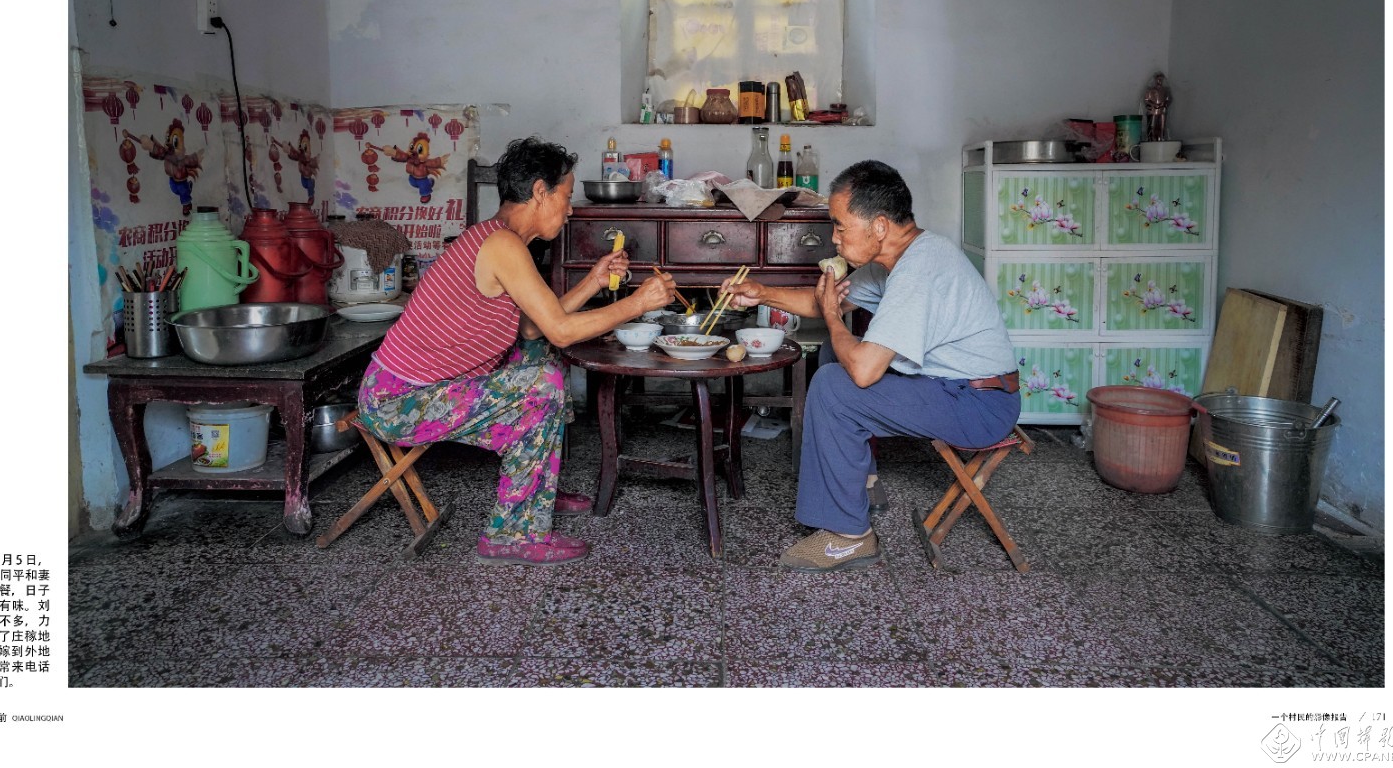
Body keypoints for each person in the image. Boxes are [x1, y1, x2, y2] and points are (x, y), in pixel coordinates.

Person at [356, 136, 678, 566]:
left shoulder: (502, 240)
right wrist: (638, 303)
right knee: (541, 385)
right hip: (396, 401)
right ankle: (512, 533)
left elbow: (533, 327)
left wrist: (594, 282)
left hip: (422, 390)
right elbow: (561, 330)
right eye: (566, 197)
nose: (570, 209)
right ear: (541, 191)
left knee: (538, 357)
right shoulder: (502, 245)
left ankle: (536, 483)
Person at [719, 159, 1019, 572]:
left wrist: (831, 316)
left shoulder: (918, 271)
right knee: (834, 352)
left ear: (878, 226)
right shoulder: (896, 258)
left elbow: (861, 369)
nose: (835, 238)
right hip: (955, 386)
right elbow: (828, 303)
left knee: (834, 386)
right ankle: (863, 481)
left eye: (841, 227)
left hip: (979, 405)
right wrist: (761, 293)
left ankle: (849, 536)